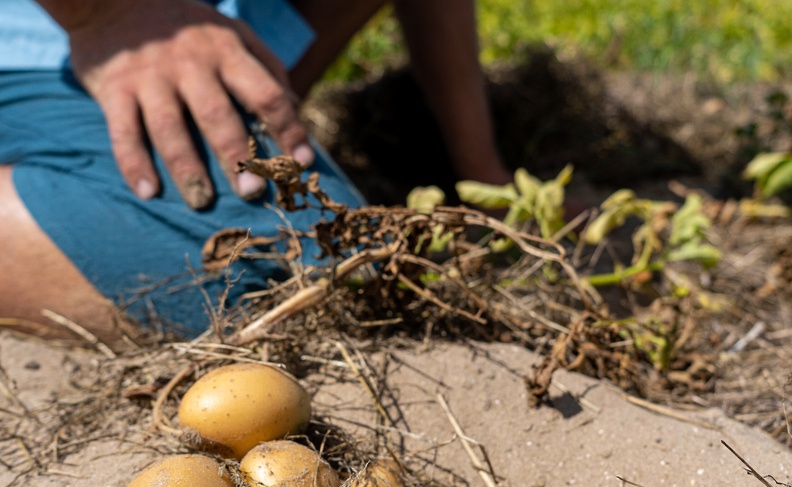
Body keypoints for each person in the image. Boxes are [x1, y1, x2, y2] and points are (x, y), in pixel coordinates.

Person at [0, 0, 511, 346]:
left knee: (344, 277)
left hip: (209, 13)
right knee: (292, 275)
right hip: (53, 32)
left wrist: (485, 179)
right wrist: (110, 16)